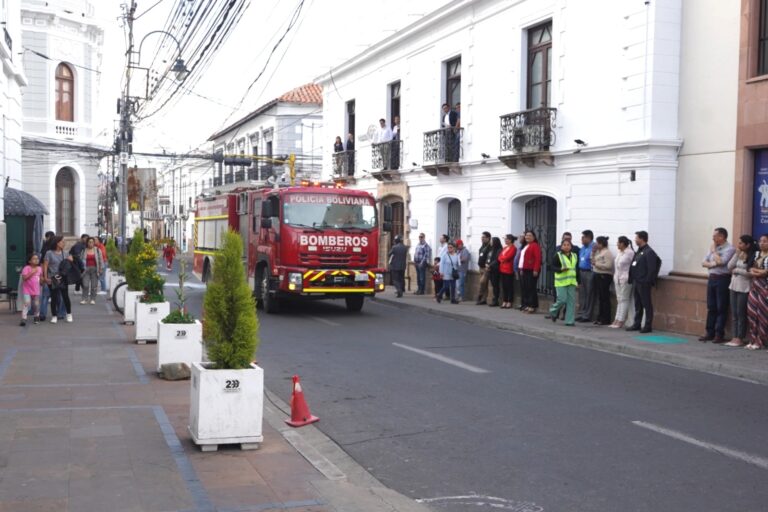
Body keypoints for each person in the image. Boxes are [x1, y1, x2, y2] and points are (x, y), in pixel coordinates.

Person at [699, 227, 736, 343]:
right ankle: (709, 332)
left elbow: (722, 262)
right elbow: (703, 262)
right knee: (711, 306)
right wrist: (713, 263)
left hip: (722, 279)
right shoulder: (712, 247)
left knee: (721, 307)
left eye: (715, 236)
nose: (712, 238)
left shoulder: (730, 249)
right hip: (712, 279)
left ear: (722, 237)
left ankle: (719, 333)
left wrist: (714, 254)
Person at [725, 235, 757, 347]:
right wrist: (736, 255)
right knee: (734, 313)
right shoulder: (738, 253)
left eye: (741, 243)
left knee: (741, 313)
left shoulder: (753, 255)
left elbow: (750, 273)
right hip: (733, 285)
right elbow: (729, 266)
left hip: (744, 287)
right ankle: (734, 337)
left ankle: (740, 337)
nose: (739, 245)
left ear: (748, 245)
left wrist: (737, 270)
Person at [626, 231, 660, 333]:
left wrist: (647, 281)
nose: (635, 240)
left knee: (646, 304)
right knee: (638, 304)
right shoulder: (639, 251)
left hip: (644, 283)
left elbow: (652, 269)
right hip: (637, 281)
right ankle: (637, 323)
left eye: (636, 238)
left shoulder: (649, 252)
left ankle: (648, 325)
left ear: (642, 239)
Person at [546, 239, 578, 326]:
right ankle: (553, 311)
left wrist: (578, 281)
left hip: (571, 281)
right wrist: (560, 269)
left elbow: (576, 269)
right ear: (561, 246)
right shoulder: (558, 255)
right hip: (561, 282)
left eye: (568, 245)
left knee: (571, 302)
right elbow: (551, 267)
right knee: (562, 300)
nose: (566, 246)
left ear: (571, 246)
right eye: (564, 245)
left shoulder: (574, 255)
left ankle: (569, 321)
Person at [44, 236, 75, 323]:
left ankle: (69, 314)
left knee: (65, 296)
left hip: (63, 278)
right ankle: (54, 316)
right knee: (54, 297)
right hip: (52, 278)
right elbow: (45, 265)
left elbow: (68, 265)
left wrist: (71, 260)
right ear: (57, 243)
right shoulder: (49, 253)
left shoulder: (65, 253)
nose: (64, 243)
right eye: (62, 241)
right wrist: (46, 277)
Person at [746, 233, 768, 350]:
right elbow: (749, 268)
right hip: (754, 286)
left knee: (762, 314)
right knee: (752, 312)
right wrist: (759, 272)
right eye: (760, 241)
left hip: (765, 287)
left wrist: (759, 272)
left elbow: (766, 273)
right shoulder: (756, 254)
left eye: (765, 241)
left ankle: (761, 341)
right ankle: (753, 339)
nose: (762, 243)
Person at [611, 236, 635, 328]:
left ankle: (621, 320)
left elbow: (632, 266)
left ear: (622, 243)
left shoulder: (630, 253)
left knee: (624, 299)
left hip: (625, 278)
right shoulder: (620, 253)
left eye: (618, 242)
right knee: (619, 299)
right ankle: (616, 319)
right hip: (617, 278)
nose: (617, 244)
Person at [591, 236, 615, 325]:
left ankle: (606, 318)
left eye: (597, 243)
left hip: (604, 275)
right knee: (600, 297)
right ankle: (600, 317)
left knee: (604, 297)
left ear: (601, 243)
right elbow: (592, 260)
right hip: (597, 274)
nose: (596, 244)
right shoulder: (598, 252)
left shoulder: (607, 253)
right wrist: (593, 252)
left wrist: (596, 264)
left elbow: (608, 265)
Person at [519, 230, 542, 313]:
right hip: (525, 269)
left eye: (529, 235)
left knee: (531, 288)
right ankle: (527, 304)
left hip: (532, 270)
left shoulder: (535, 245)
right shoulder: (526, 245)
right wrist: (521, 269)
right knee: (526, 288)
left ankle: (533, 305)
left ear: (534, 237)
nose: (527, 237)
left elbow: (538, 258)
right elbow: (522, 259)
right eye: (526, 235)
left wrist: (535, 269)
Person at [576, 230, 596, 322]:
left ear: (588, 238)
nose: (581, 239)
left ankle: (588, 315)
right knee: (583, 293)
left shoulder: (594, 247)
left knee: (589, 294)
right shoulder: (583, 247)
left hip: (590, 272)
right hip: (582, 271)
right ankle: (582, 313)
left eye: (583, 237)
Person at [19, 253, 42, 326]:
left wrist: (43, 280)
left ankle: (36, 316)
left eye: (37, 259)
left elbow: (41, 278)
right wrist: (32, 273)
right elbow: (24, 278)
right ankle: (24, 318)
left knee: (36, 304)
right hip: (27, 290)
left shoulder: (39, 268)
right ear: (29, 261)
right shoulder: (26, 268)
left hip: (36, 290)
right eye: (34, 259)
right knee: (27, 303)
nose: (36, 260)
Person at [79, 237, 103, 305]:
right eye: (89, 242)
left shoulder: (98, 250)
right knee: (85, 285)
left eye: (92, 242)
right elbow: (80, 260)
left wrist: (101, 269)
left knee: (94, 286)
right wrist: (81, 269)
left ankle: (92, 299)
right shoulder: (84, 250)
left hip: (95, 269)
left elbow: (101, 260)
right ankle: (84, 299)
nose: (91, 243)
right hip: (85, 269)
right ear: (87, 243)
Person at [38, 230, 56, 322]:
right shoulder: (49, 250)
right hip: (51, 275)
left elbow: (41, 263)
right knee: (55, 295)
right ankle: (58, 314)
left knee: (45, 296)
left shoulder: (45, 248)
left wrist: (42, 276)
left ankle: (42, 314)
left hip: (48, 275)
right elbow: (42, 264)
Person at [498, 234, 517, 309]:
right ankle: (504, 300)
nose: (505, 240)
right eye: (505, 239)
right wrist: (502, 259)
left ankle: (509, 301)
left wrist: (502, 259)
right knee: (504, 286)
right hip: (502, 268)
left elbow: (508, 257)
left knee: (509, 286)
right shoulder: (505, 247)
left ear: (511, 240)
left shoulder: (513, 248)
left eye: (507, 239)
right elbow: (499, 257)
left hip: (509, 269)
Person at [476, 231, 492, 305]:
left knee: (482, 282)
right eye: (481, 237)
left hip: (486, 268)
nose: (482, 238)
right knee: (484, 285)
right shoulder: (482, 246)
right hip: (481, 267)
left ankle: (480, 296)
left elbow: (489, 257)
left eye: (484, 237)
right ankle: (483, 299)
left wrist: (487, 265)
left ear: (488, 238)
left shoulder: (490, 246)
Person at [487, 237, 502, 307]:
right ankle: (494, 299)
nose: (490, 242)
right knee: (493, 285)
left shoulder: (499, 250)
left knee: (496, 286)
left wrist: (490, 266)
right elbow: (488, 258)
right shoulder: (491, 249)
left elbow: (497, 260)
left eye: (492, 241)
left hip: (495, 270)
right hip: (490, 269)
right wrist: (487, 265)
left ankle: (496, 300)